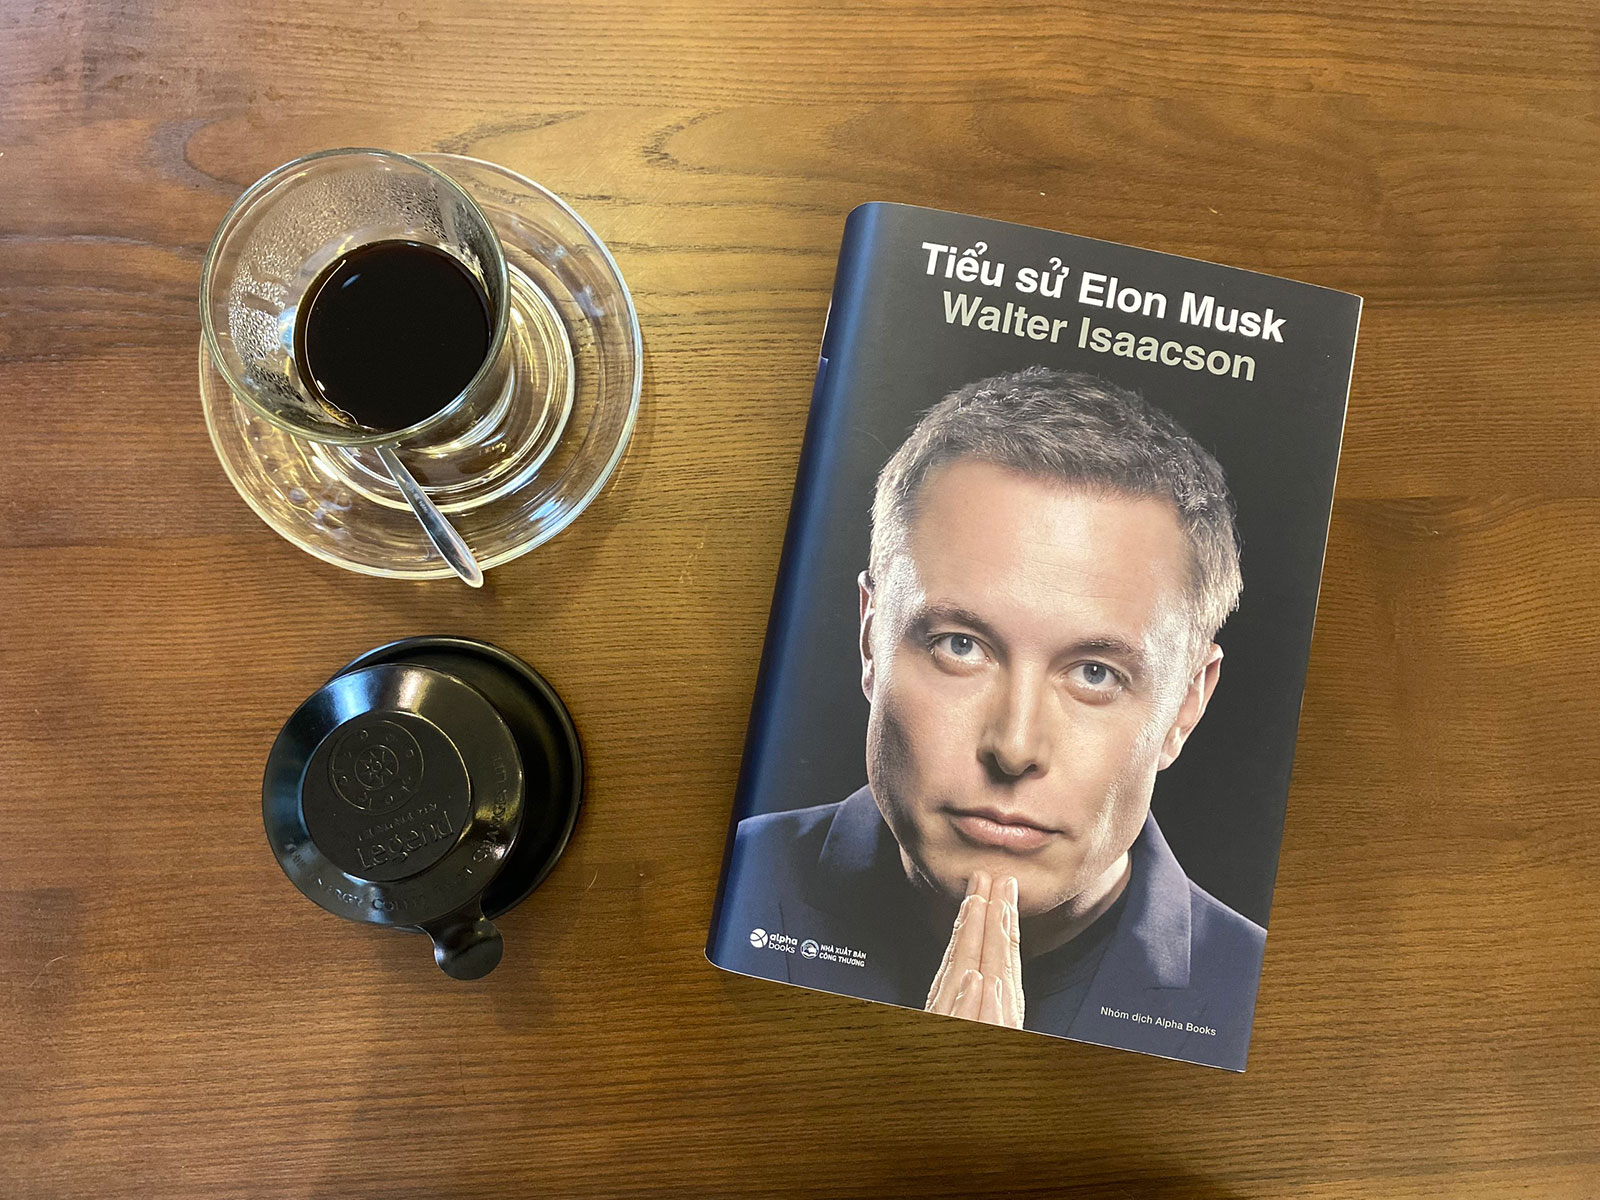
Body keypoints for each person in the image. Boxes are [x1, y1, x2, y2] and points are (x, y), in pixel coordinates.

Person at [714, 367, 1266, 1070]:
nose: (1014, 746)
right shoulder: (726, 885)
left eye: (1095, 673)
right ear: (871, 638)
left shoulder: (1265, 1004)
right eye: (960, 646)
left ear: (1187, 704)